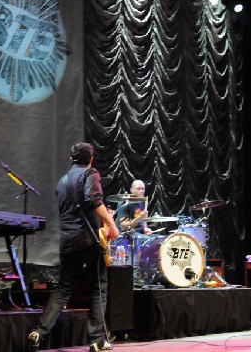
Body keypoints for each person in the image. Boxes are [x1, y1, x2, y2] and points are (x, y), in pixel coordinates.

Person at [26, 142, 119, 352]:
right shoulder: (90, 174)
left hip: (68, 241)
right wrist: (112, 224)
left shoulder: (62, 181)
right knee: (98, 288)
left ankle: (39, 332)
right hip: (88, 240)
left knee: (63, 289)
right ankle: (97, 340)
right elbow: (94, 200)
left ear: (71, 159)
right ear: (91, 160)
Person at [113, 179, 153, 265]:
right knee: (148, 242)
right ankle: (137, 266)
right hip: (127, 234)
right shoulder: (124, 204)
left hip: (139, 233)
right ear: (131, 190)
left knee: (155, 241)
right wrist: (138, 218)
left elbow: (143, 221)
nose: (141, 191)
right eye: (138, 189)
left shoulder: (142, 201)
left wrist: (145, 228)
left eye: (143, 189)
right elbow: (124, 226)